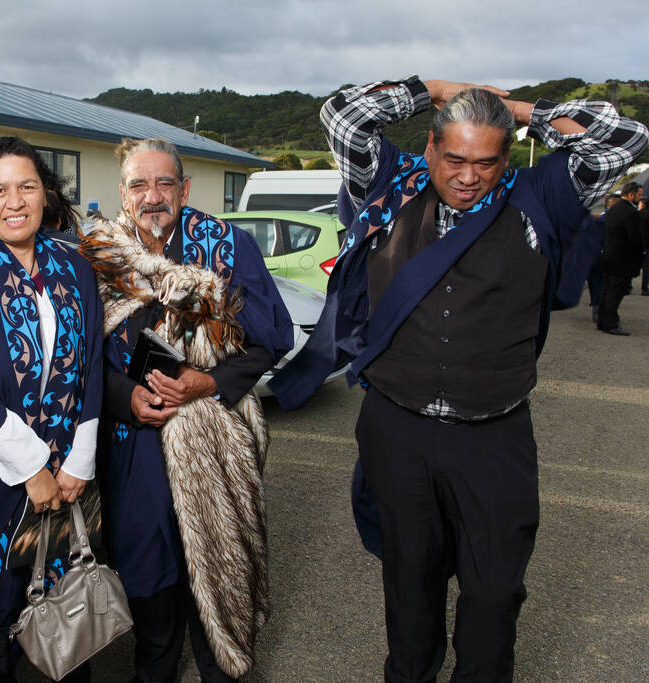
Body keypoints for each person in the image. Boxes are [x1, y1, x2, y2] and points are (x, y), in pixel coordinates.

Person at [269, 77, 648, 681]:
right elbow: (344, 117)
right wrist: (434, 88)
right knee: (410, 580)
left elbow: (625, 138)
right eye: (454, 158)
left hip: (494, 435)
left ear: (506, 156)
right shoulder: (389, 185)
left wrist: (520, 110)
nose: (469, 176)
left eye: (486, 162)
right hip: (399, 428)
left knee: (495, 590)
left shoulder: (541, 194)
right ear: (430, 147)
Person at [79, 137, 293, 682]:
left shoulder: (226, 246)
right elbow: (77, 361)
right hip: (133, 448)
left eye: (164, 183)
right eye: (138, 185)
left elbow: (271, 338)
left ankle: (223, 666)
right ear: (122, 193)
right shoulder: (97, 256)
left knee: (220, 574)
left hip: (213, 441)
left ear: (185, 189)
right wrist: (123, 397)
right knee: (149, 581)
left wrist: (210, 382)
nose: (152, 196)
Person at [0, 136, 103, 682]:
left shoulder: (74, 268)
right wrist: (32, 469)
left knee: (71, 623)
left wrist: (78, 461)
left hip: (71, 478)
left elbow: (93, 366)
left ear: (45, 194)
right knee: (0, 626)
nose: (14, 202)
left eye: (27, 187)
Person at [599, 181, 644, 335]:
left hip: (610, 254)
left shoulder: (614, 209)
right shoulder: (631, 213)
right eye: (639, 195)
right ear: (631, 194)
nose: (640, 198)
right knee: (616, 292)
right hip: (623, 258)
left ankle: (602, 320)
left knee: (607, 290)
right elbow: (635, 238)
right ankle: (610, 323)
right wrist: (641, 251)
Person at [588, 194, 621, 322]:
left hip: (599, 256)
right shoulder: (604, 221)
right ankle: (598, 312)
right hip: (601, 257)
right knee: (600, 284)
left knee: (599, 284)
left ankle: (598, 309)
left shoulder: (603, 219)